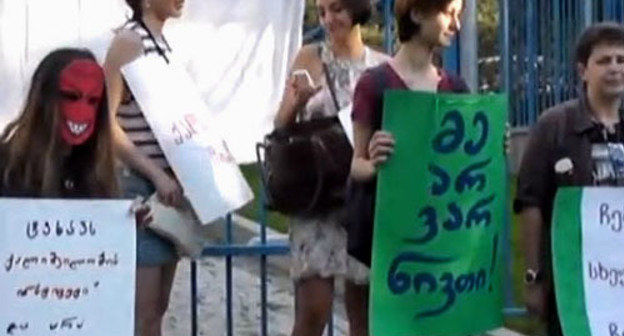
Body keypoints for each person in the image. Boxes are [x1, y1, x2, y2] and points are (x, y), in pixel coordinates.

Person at [346, 0, 468, 333]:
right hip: (387, 243)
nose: (456, 24)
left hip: (440, 239)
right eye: (449, 13)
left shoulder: (456, 89)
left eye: (459, 15)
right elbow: (356, 164)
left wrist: (492, 149)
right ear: (417, 13)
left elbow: (467, 168)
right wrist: (375, 163)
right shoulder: (376, 84)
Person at [273, 0, 388, 335]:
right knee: (313, 311)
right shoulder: (309, 57)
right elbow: (280, 126)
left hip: (360, 198)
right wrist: (297, 102)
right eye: (322, 11)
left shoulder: (380, 67)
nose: (328, 19)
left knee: (363, 315)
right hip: (317, 197)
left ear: (356, 10)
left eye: (336, 9)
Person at [515, 22, 624, 336]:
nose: (615, 68)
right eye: (604, 61)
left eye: (621, 60)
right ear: (583, 71)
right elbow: (531, 203)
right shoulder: (554, 126)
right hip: (573, 289)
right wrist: (534, 278)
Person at [104, 1, 185, 335]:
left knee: (158, 309)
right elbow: (107, 124)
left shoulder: (163, 44)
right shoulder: (129, 40)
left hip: (168, 188)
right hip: (139, 187)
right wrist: (154, 173)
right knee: (143, 311)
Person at [0, 48, 118, 198]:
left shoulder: (95, 171)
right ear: (44, 98)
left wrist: (125, 218)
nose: (82, 111)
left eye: (92, 100)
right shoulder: (7, 165)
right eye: (71, 96)